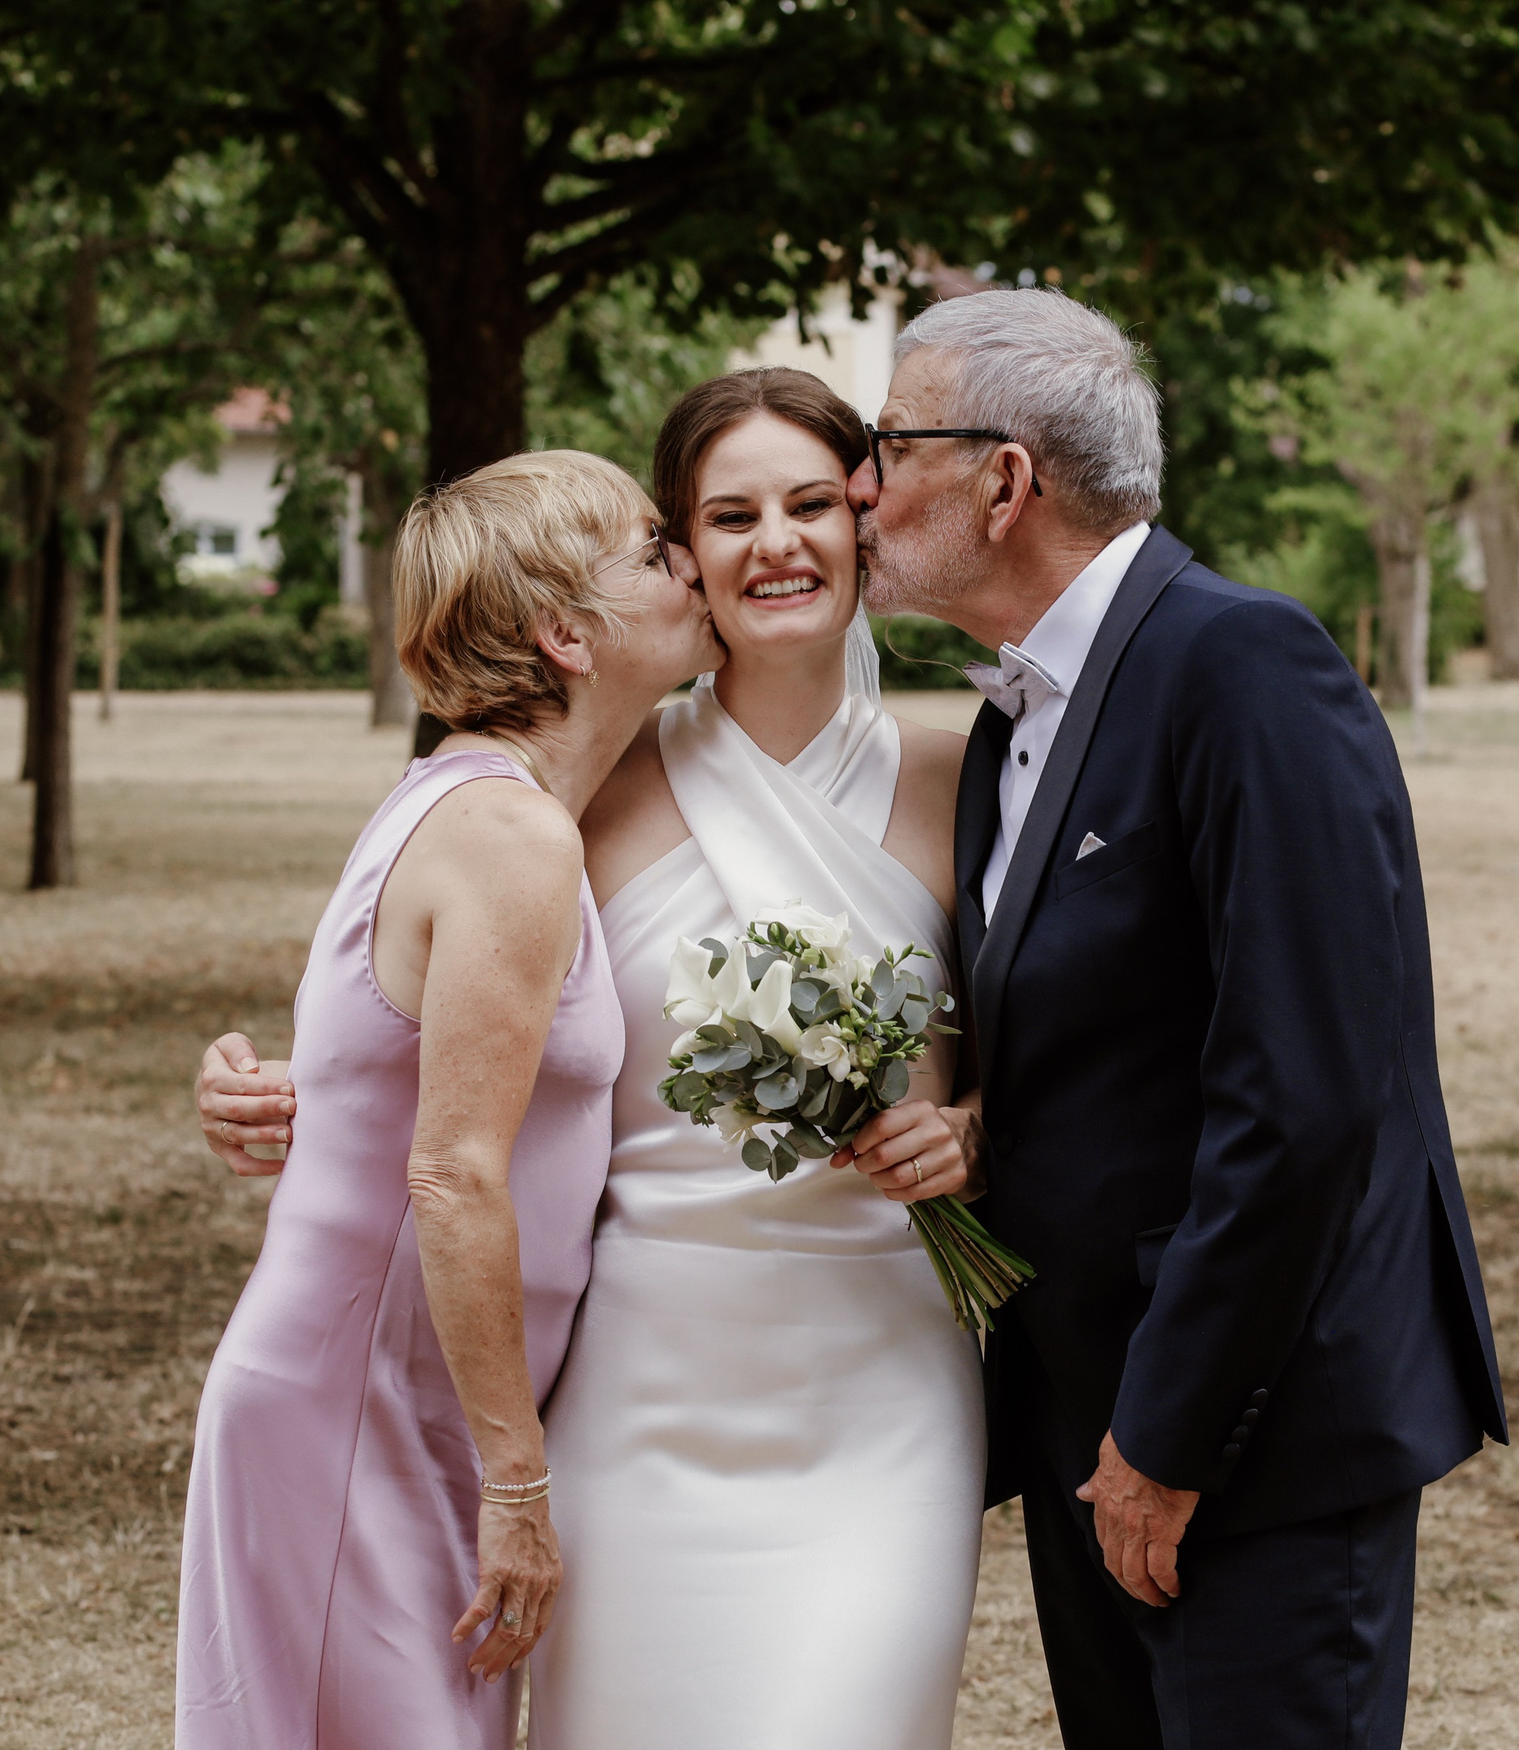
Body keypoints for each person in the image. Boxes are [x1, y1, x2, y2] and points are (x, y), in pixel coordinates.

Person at [197, 369, 988, 1750]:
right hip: (630, 1385)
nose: (765, 544)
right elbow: (428, 1050)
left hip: (881, 1384)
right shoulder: (553, 802)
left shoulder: (970, 780)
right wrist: (295, 1094)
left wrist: (978, 1127)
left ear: (866, 523)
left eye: (811, 502)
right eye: (713, 520)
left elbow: (1092, 1041)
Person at [851, 287, 1508, 1749]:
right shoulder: (1016, 717)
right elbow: (1108, 1044)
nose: (860, 485)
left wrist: (1167, 1435)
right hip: (1097, 1417)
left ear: (1004, 480)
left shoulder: (1245, 666)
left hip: (1249, 1434)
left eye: (888, 443)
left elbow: (1311, 1100)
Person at [175, 450, 721, 1750]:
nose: (691, 560)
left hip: (414, 1403)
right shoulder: (508, 833)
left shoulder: (498, 806)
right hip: (357, 1412)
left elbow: (367, 1068)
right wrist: (518, 1481)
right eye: (654, 550)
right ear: (562, 633)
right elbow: (455, 1170)